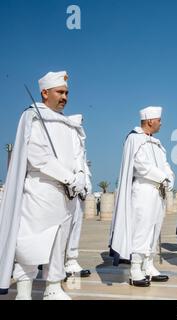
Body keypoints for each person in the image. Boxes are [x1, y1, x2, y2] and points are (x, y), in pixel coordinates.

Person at [0, 71, 87, 300]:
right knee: (32, 241)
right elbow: (38, 156)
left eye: (67, 92)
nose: (65, 97)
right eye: (60, 92)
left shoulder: (70, 125)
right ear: (45, 93)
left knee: (59, 243)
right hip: (41, 189)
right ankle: (24, 292)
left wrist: (80, 176)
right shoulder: (34, 117)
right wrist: (68, 177)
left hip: (66, 195)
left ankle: (53, 287)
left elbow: (78, 155)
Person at [109, 106, 174, 287]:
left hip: (159, 191)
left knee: (155, 228)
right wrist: (162, 177)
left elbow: (166, 164)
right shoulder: (135, 139)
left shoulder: (157, 143)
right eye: (159, 120)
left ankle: (148, 264)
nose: (161, 123)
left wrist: (170, 177)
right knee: (142, 229)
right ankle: (136, 268)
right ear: (150, 121)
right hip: (144, 190)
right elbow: (141, 165)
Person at [64, 114, 92, 279]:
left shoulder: (80, 143)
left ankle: (72, 260)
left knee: (76, 227)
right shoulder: (68, 138)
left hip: (80, 192)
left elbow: (83, 166)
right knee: (65, 229)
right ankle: (60, 264)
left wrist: (86, 184)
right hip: (69, 189)